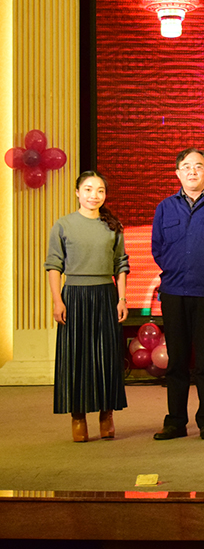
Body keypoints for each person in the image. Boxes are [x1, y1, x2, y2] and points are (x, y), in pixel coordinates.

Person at [150, 148, 204, 441]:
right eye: (186, 166)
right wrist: (176, 269)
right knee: (176, 362)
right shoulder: (165, 207)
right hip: (174, 292)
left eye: (198, 166)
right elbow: (158, 248)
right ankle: (175, 421)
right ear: (177, 173)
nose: (192, 171)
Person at [45, 171, 130, 443]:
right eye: (89, 189)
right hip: (74, 296)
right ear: (77, 192)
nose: (94, 195)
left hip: (105, 294)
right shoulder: (63, 225)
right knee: (76, 357)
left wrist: (122, 299)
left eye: (100, 190)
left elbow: (121, 265)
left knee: (107, 356)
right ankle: (78, 417)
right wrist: (57, 300)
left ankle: (106, 415)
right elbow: (54, 265)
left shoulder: (113, 226)